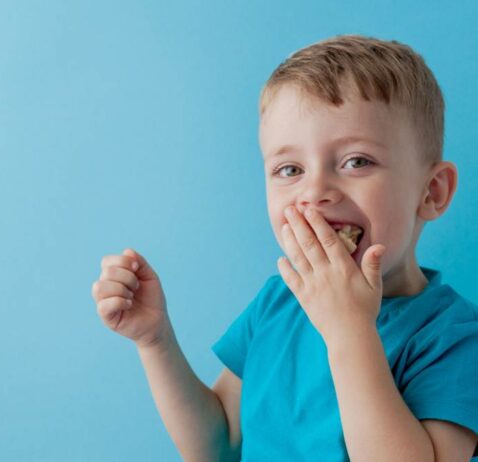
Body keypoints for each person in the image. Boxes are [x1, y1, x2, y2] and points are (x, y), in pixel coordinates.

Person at [91, 34, 478, 461]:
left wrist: (349, 330)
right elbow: (217, 447)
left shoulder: (453, 337)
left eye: (356, 162)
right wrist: (155, 341)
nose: (315, 191)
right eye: (289, 169)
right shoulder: (276, 304)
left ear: (432, 192)